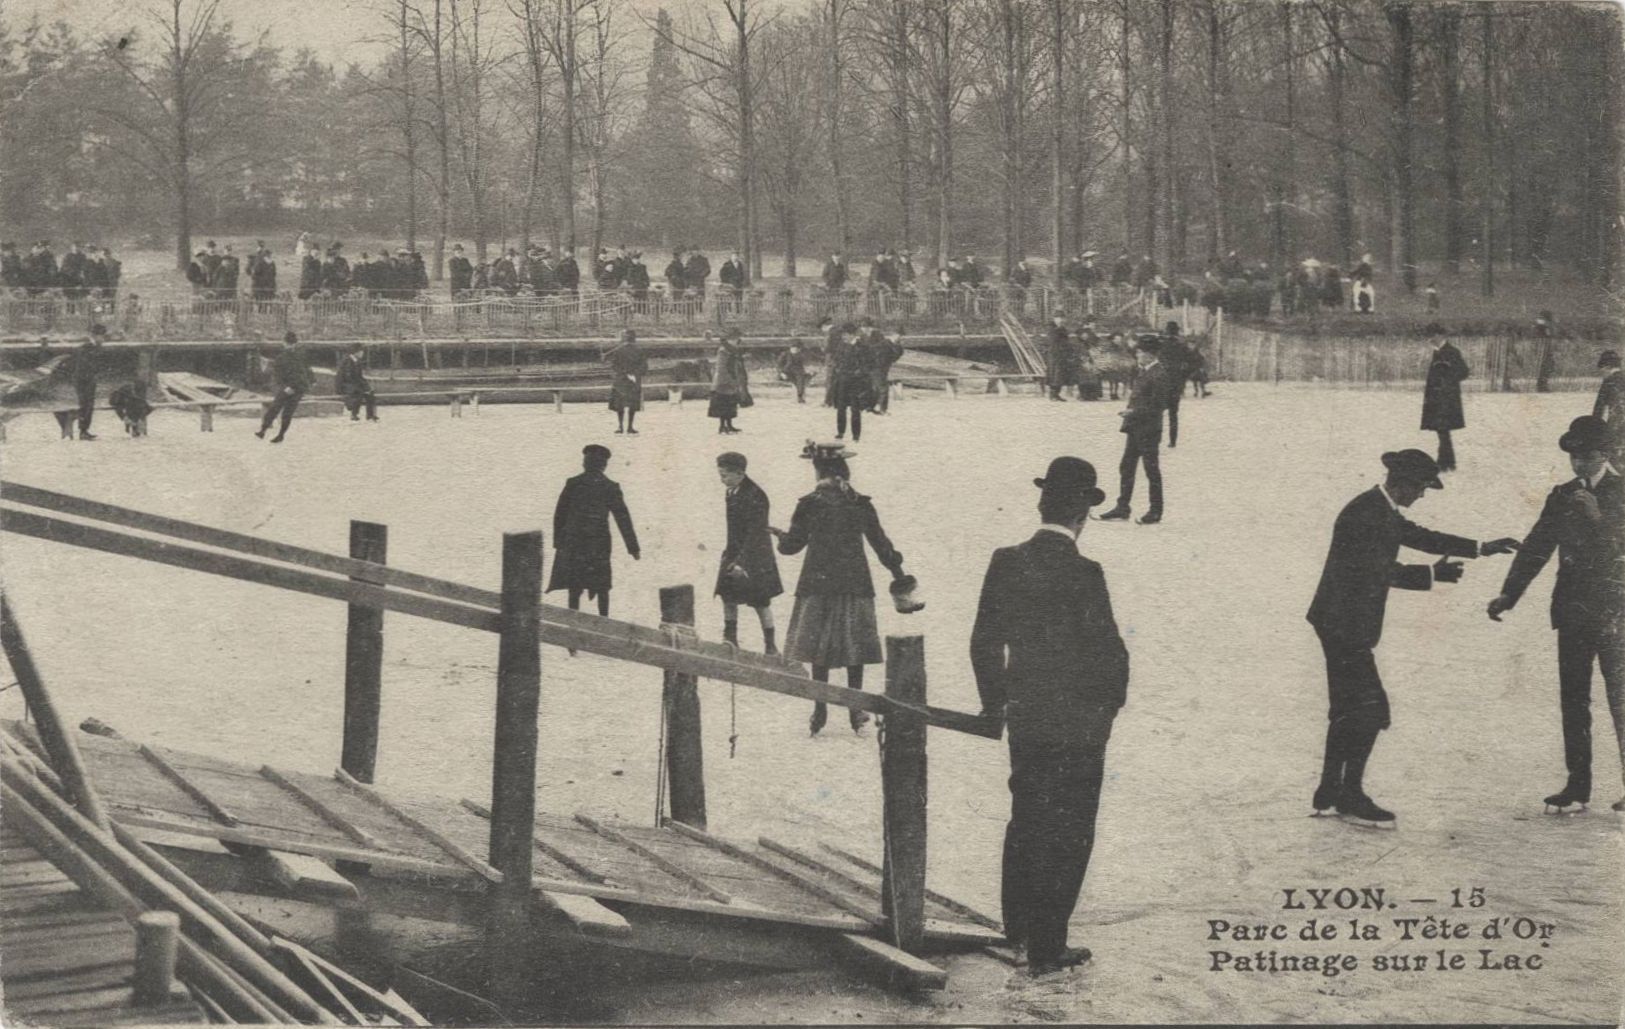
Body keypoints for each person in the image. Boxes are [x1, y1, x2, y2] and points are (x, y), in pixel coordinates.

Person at [971, 457, 1127, 977]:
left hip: (1027, 716)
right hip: (1079, 724)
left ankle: (1016, 925)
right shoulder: (1086, 573)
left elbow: (984, 641)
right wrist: (1107, 711)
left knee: (1027, 814)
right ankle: (1048, 944)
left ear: (1042, 505)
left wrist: (996, 705)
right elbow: (1110, 654)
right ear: (1082, 515)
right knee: (1070, 828)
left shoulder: (1006, 560)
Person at [1307, 449, 1519, 827]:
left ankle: (1330, 791)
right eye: (1421, 488)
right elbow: (1375, 571)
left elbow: (1421, 536)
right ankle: (1349, 795)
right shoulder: (1366, 513)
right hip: (1344, 626)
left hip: (1342, 623)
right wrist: (1430, 576)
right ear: (1403, 484)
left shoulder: (1380, 509)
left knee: (1349, 709)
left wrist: (1479, 548)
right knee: (1370, 710)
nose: (1422, 496)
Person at [1488, 416, 1625, 814]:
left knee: (1621, 698)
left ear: (1604, 453)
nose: (1579, 462)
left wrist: (1600, 518)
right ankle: (1577, 786)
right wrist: (1508, 594)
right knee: (1574, 700)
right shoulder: (1561, 495)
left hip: (1616, 611)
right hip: (1572, 612)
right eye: (1573, 455)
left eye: (1586, 454)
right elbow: (1537, 547)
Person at [776, 441, 908, 736]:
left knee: (818, 648)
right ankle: (855, 707)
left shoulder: (809, 503)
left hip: (817, 583)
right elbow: (880, 543)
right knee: (854, 647)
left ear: (817, 470)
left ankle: (819, 709)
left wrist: (779, 537)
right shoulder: (860, 502)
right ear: (845, 471)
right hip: (855, 582)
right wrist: (898, 572)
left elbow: (792, 547)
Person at [548, 444, 640, 618]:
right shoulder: (606, 486)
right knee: (599, 586)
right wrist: (633, 547)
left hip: (581, 542)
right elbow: (623, 518)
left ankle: (574, 625)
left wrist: (558, 541)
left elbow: (559, 515)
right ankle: (599, 623)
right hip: (594, 543)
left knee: (579, 586)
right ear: (603, 466)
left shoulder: (578, 483)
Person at [714, 452, 784, 655]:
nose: (722, 480)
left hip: (756, 555)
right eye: (720, 475)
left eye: (725, 475)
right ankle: (730, 638)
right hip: (734, 552)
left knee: (761, 601)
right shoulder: (731, 491)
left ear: (740, 473)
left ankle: (770, 645)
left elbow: (756, 533)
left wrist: (742, 563)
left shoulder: (756, 495)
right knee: (727, 596)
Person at [1100, 335, 1170, 525]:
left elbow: (1159, 406)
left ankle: (1155, 510)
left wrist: (1133, 412)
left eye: (1139, 352)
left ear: (1148, 354)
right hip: (1136, 427)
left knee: (1151, 470)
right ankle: (1122, 507)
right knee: (1127, 467)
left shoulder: (1159, 374)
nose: (1137, 355)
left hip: (1148, 429)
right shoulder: (1145, 371)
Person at [1421, 332, 1469, 472]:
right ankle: (1447, 462)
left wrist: (1447, 379)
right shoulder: (1438, 352)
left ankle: (1445, 462)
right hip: (1437, 398)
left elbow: (1464, 372)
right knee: (1442, 431)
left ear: (1439, 336)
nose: (1429, 340)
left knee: (1443, 430)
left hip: (1447, 398)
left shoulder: (1452, 352)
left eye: (1431, 337)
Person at [256, 331, 314, 443]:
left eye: (291, 344)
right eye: (290, 343)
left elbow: (278, 374)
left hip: (293, 388)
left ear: (284, 343)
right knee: (278, 410)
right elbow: (307, 370)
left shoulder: (285, 357)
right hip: (294, 387)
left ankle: (273, 433)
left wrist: (286, 386)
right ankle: (265, 431)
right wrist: (309, 382)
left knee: (281, 410)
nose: (290, 346)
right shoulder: (295, 356)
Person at [829, 323, 870, 442]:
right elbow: (836, 360)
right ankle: (840, 432)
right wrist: (838, 370)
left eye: (846, 334)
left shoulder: (862, 347)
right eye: (843, 335)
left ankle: (856, 435)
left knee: (855, 409)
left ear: (852, 335)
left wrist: (858, 373)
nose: (843, 337)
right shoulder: (841, 346)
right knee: (841, 408)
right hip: (842, 381)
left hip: (856, 383)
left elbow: (867, 365)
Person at [66, 324, 106, 440]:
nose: (103, 339)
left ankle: (84, 430)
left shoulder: (94, 347)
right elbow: (84, 365)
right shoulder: (86, 347)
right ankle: (83, 431)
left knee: (88, 404)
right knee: (86, 404)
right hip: (83, 380)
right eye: (102, 336)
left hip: (88, 379)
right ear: (95, 336)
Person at [605, 329, 648, 435]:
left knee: (620, 404)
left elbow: (614, 366)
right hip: (633, 380)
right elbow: (644, 366)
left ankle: (621, 427)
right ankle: (629, 427)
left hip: (621, 379)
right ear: (634, 338)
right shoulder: (639, 350)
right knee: (632, 404)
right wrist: (634, 374)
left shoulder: (619, 350)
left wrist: (624, 373)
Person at [708, 329, 750, 434]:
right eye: (736, 339)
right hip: (723, 381)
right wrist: (729, 379)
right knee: (723, 404)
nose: (738, 341)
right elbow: (721, 367)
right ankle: (722, 426)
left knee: (731, 404)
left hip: (732, 380)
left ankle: (730, 425)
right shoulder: (723, 350)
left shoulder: (732, 350)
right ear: (731, 339)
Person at [1592, 350, 1624, 463]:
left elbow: (1598, 409)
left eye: (1602, 370)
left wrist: (1594, 428)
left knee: (1613, 458)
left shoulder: (1608, 382)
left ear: (1607, 367)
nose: (1602, 374)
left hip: (1616, 428)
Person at [336, 342, 378, 422]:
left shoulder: (357, 361)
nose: (363, 353)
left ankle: (370, 415)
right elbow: (348, 377)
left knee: (370, 393)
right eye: (361, 351)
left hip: (353, 383)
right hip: (345, 384)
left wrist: (367, 387)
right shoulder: (347, 361)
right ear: (356, 352)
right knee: (359, 392)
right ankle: (354, 414)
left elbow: (359, 376)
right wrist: (361, 386)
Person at [1045, 315, 1073, 402]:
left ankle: (1057, 394)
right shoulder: (1051, 328)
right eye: (1058, 318)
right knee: (1054, 375)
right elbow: (1053, 340)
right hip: (1054, 355)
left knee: (1060, 375)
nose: (1060, 320)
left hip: (1062, 354)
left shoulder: (1062, 328)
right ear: (1054, 319)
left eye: (1061, 318)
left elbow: (1066, 340)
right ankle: (1052, 394)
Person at [777, 339, 811, 404]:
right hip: (786, 372)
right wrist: (781, 373)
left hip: (797, 372)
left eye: (797, 349)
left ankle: (800, 396)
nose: (795, 350)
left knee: (800, 380)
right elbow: (779, 365)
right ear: (790, 348)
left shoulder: (800, 355)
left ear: (799, 349)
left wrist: (806, 371)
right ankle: (799, 394)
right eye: (793, 348)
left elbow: (801, 367)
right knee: (796, 381)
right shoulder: (785, 354)